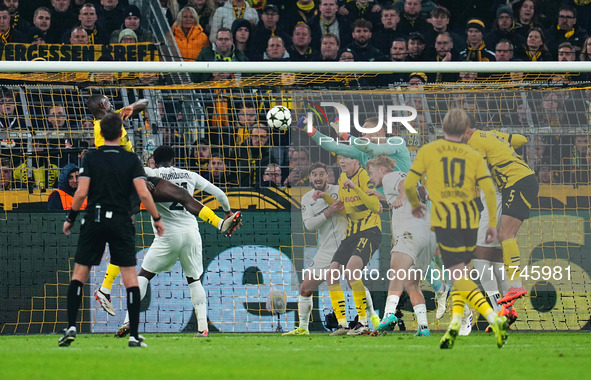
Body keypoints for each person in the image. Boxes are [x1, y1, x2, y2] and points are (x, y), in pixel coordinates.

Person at [403, 108, 509, 349]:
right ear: (465, 131)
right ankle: (458, 321)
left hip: (445, 219)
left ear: (442, 129)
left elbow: (410, 183)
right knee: (460, 273)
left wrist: (414, 204)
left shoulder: (429, 151)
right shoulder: (473, 155)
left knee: (457, 275)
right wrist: (492, 222)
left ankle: (490, 318)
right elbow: (489, 190)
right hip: (471, 218)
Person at [59, 112, 165, 348]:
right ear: (120, 133)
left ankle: (71, 327)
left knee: (79, 274)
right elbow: (143, 193)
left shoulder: (91, 158)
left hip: (94, 218)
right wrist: (156, 218)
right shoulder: (131, 159)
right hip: (121, 220)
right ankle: (134, 335)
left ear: (100, 133)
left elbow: (81, 192)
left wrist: (71, 218)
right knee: (130, 279)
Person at [114, 145, 237, 338]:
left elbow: (130, 171)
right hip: (190, 233)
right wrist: (227, 211)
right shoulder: (190, 175)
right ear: (174, 160)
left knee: (144, 276)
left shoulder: (151, 173)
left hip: (166, 235)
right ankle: (202, 328)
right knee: (194, 280)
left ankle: (128, 320)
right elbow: (220, 194)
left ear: (154, 160)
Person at [283, 161, 379, 335]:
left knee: (352, 281)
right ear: (310, 178)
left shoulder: (339, 190)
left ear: (327, 176)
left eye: (321, 174)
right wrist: (328, 212)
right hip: (326, 249)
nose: (318, 177)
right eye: (314, 175)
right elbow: (309, 225)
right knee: (305, 287)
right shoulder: (307, 198)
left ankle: (372, 319)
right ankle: (303, 328)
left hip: (347, 243)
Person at [462, 116, 538, 306]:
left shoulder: (475, 144)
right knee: (496, 254)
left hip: (516, 182)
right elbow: (522, 139)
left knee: (502, 239)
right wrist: (503, 142)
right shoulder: (493, 136)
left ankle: (513, 290)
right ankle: (506, 306)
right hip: (521, 181)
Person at [367, 154, 435, 337]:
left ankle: (388, 315)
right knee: (411, 283)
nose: (370, 177)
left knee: (396, 269)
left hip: (411, 231)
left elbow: (405, 188)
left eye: (371, 172)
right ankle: (423, 327)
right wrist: (384, 197)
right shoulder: (401, 177)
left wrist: (401, 197)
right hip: (428, 236)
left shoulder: (390, 176)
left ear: (381, 169)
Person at [316, 155, 382, 335]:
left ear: (357, 162)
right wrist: (326, 198)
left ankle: (363, 323)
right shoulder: (342, 178)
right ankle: (343, 324)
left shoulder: (364, 178)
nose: (341, 161)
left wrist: (356, 188)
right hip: (351, 233)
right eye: (340, 158)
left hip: (370, 231)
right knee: (332, 274)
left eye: (346, 158)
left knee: (352, 270)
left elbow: (376, 207)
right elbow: (346, 210)